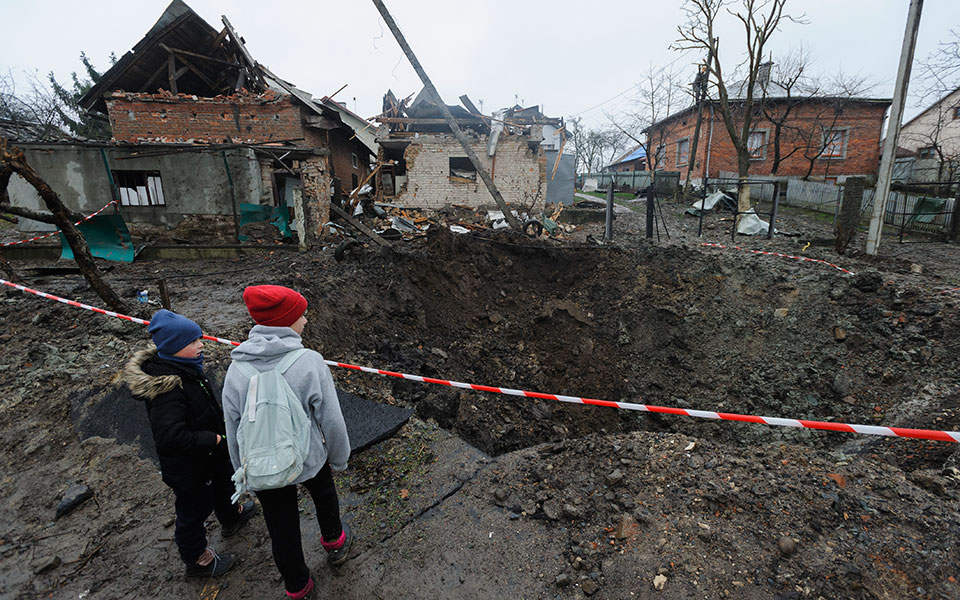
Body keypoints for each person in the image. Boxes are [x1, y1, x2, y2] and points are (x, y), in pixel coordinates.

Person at [222, 285, 352, 600]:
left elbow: (233, 426)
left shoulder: (236, 370)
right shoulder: (309, 362)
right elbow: (331, 418)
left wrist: (243, 472)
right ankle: (335, 543)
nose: (306, 320)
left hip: (264, 468)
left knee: (281, 528)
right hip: (308, 457)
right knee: (324, 496)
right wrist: (339, 457)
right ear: (284, 322)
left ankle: (298, 587)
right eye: (300, 314)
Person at [122, 309, 258, 578]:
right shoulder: (167, 389)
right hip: (190, 467)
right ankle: (197, 559)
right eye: (193, 342)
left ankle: (231, 517)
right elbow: (170, 436)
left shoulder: (187, 369)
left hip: (209, 457)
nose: (201, 345)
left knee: (224, 484)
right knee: (193, 511)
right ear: (174, 348)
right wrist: (214, 438)